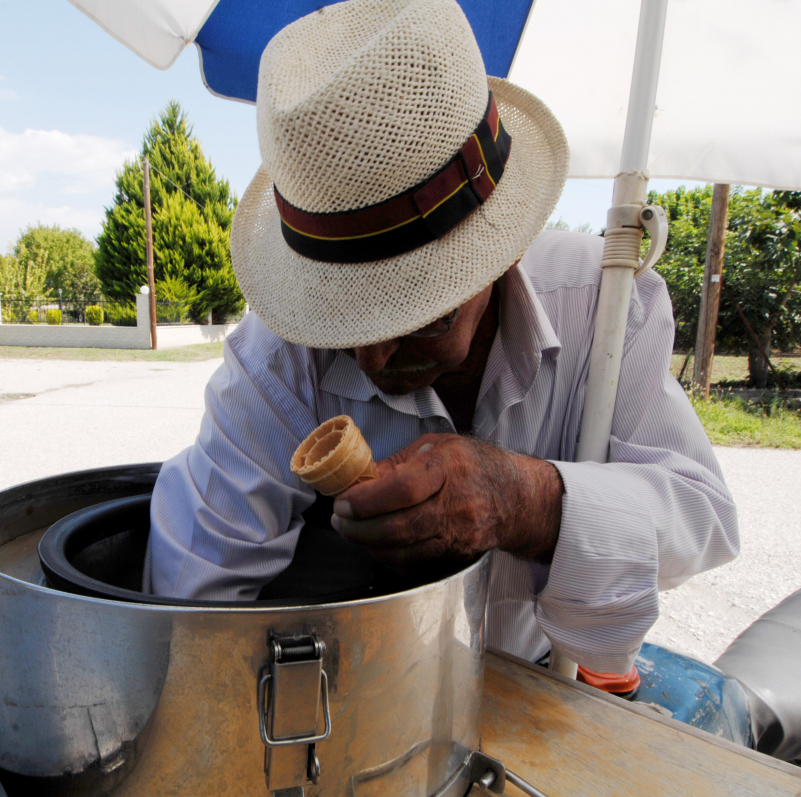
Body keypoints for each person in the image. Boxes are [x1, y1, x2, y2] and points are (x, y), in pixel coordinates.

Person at [143, 0, 738, 677]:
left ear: (501, 252)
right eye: (341, 325)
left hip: (541, 678)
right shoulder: (277, 355)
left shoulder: (600, 313)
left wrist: (529, 499)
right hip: (357, 688)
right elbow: (192, 594)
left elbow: (703, 517)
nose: (369, 358)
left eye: (415, 314)